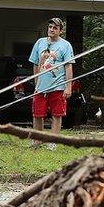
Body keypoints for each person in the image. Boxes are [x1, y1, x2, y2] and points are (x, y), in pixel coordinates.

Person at [28, 17, 74, 150]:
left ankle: (52, 142)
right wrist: (36, 83)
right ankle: (38, 140)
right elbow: (36, 64)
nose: (52, 30)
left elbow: (68, 67)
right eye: (50, 27)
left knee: (57, 114)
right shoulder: (40, 42)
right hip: (41, 87)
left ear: (60, 30)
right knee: (37, 114)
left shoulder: (66, 45)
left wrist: (68, 86)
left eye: (55, 28)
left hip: (58, 86)